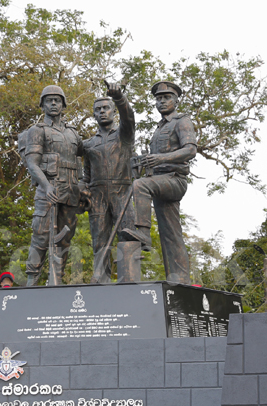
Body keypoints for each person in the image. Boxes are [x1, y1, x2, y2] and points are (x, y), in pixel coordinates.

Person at [122, 81, 197, 283]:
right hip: (159, 181)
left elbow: (190, 150)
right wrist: (142, 164)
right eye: (159, 98)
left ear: (176, 100)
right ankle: (179, 279)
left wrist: (161, 159)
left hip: (175, 181)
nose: (162, 102)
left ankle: (144, 234)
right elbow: (155, 161)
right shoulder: (159, 128)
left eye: (166, 98)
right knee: (170, 233)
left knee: (140, 186)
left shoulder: (182, 121)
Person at [19, 85, 88, 286]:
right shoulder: (37, 131)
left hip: (71, 193)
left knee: (64, 239)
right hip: (47, 190)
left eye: (57, 100)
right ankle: (32, 280)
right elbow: (32, 163)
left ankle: (56, 281)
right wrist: (46, 185)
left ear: (63, 105)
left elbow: (87, 156)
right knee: (41, 236)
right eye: (49, 100)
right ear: (42, 106)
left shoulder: (73, 134)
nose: (54, 104)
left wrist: (84, 184)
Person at [83, 80, 137, 283]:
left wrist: (119, 97)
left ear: (114, 112)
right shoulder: (88, 144)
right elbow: (85, 175)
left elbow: (129, 118)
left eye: (106, 108)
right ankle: (102, 280)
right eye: (98, 109)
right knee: (99, 241)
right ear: (94, 115)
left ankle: (129, 280)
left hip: (122, 191)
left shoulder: (124, 135)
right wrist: (83, 187)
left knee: (128, 236)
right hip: (97, 195)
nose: (102, 112)